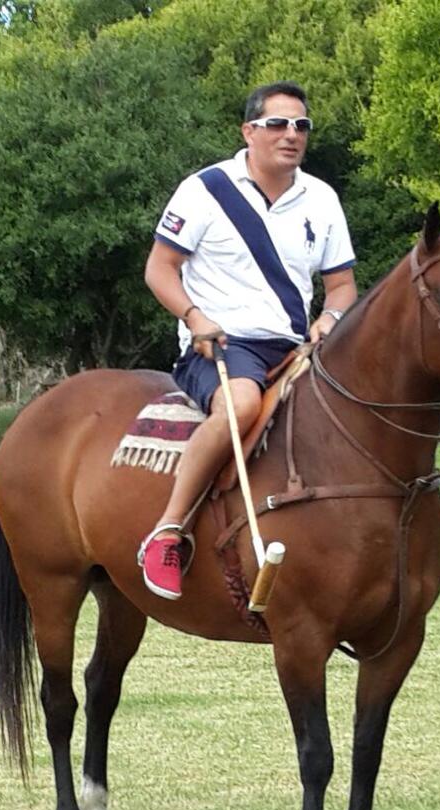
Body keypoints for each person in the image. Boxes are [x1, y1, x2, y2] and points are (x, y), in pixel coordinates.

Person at [138, 80, 357, 599]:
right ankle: (168, 532)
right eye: (277, 124)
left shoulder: (321, 198)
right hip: (220, 345)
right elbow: (159, 268)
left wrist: (330, 319)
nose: (291, 135)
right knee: (239, 407)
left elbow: (342, 284)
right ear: (248, 131)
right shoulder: (205, 189)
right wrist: (194, 317)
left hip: (296, 346)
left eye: (301, 126)